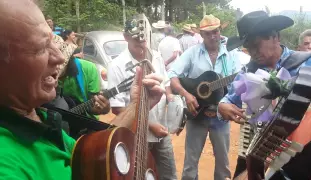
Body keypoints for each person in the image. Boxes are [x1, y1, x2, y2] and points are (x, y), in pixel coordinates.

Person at [0, 1, 164, 179]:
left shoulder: (38, 115)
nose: (60, 57)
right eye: (41, 48)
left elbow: (91, 157)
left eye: (53, 42)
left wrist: (136, 105)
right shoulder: (8, 167)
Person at [217, 10, 311, 179]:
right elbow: (228, 99)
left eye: (256, 45)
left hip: (303, 153)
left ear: (275, 37)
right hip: (259, 153)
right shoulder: (247, 73)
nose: (253, 52)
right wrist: (222, 106)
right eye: (249, 48)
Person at [168, 14, 242, 180]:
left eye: (215, 32)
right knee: (190, 164)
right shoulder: (192, 53)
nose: (212, 36)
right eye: (207, 33)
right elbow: (172, 74)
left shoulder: (231, 54)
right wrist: (186, 94)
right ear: (201, 35)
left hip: (220, 117)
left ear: (219, 31)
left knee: (223, 164)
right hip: (197, 113)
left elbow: (239, 81)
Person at [107, 19, 177, 180]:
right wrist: (151, 126)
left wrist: (172, 100)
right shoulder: (116, 66)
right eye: (136, 38)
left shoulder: (156, 56)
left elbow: (166, 82)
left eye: (143, 38)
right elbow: (117, 108)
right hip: (136, 136)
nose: (141, 41)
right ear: (125, 37)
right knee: (140, 174)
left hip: (161, 131)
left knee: (169, 176)